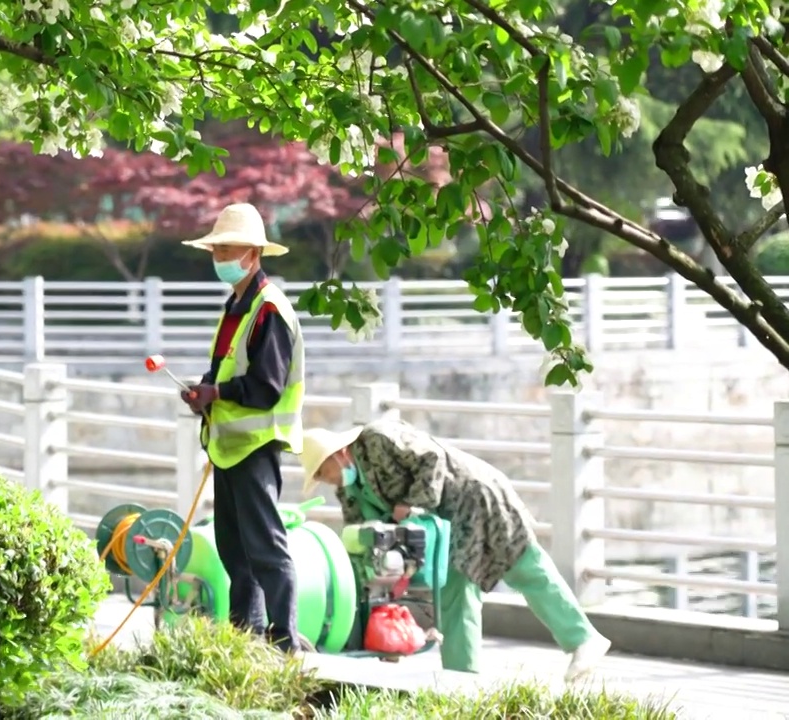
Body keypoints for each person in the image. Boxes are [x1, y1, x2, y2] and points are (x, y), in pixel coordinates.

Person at [297, 421, 613, 682]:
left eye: (323, 472)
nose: (326, 481)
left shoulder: (378, 439)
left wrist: (412, 503)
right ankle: (462, 679)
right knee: (456, 591)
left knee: (524, 566)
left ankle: (583, 639)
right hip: (442, 524)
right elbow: (362, 537)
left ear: (338, 454)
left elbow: (432, 458)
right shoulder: (349, 489)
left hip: (472, 496)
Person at [178, 203, 306, 653]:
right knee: (236, 552)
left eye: (228, 249)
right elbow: (226, 370)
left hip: (256, 445)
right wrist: (204, 393)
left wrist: (217, 394)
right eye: (216, 250)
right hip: (229, 446)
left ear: (253, 254)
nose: (220, 258)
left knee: (266, 549)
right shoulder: (237, 304)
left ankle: (285, 641)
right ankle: (244, 638)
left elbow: (266, 386)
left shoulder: (269, 309)